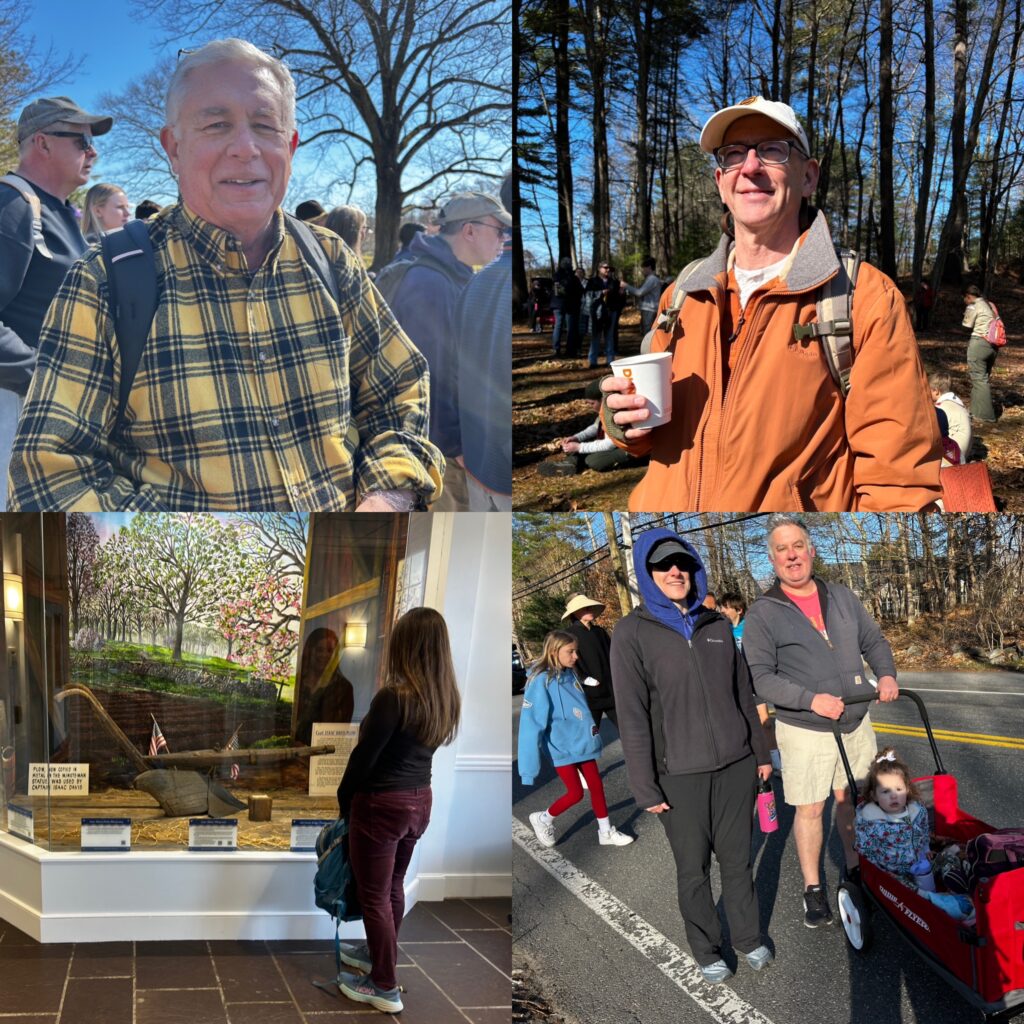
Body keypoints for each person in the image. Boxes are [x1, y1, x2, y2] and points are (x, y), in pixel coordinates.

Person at [8, 39, 442, 511]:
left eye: (265, 126)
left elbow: (399, 386)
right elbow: (48, 474)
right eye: (216, 125)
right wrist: (204, 556)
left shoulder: (330, 257)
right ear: (173, 148)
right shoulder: (104, 279)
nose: (245, 148)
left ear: (290, 145)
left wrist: (387, 496)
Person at [601, 96, 942, 511]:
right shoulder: (684, 293)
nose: (750, 167)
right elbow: (642, 426)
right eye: (733, 155)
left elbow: (899, 483)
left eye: (772, 149)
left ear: (808, 176)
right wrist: (620, 419)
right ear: (720, 181)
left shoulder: (863, 298)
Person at [610, 529, 772, 983]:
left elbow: (744, 695)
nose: (674, 571)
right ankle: (706, 948)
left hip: (737, 766)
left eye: (682, 563)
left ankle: (747, 937)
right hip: (678, 776)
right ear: (647, 573)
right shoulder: (631, 633)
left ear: (694, 569)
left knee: (738, 861)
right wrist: (644, 784)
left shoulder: (717, 625)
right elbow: (633, 714)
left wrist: (760, 753)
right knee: (693, 869)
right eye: (663, 565)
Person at [742, 514, 900, 928]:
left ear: (811, 550)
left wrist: (885, 673)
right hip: (806, 729)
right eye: (782, 550)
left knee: (853, 800)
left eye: (798, 546)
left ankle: (854, 868)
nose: (792, 555)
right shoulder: (764, 613)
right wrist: (810, 700)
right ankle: (813, 888)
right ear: (772, 560)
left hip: (855, 721)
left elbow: (874, 641)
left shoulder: (842, 596)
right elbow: (760, 677)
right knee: (811, 809)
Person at [333, 607, 460, 1014]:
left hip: (381, 805)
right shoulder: (444, 696)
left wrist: (343, 801)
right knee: (392, 888)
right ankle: (377, 955)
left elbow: (363, 760)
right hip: (419, 800)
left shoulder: (394, 695)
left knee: (374, 895)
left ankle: (383, 983)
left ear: (406, 645)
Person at [0, 95, 112, 510]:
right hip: (15, 409)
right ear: (42, 144)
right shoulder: (12, 206)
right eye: (81, 141)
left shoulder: (59, 212)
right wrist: (40, 378)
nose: (93, 151)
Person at [387, 190, 510, 511]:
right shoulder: (431, 285)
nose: (503, 240)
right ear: (469, 230)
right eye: (499, 230)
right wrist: (458, 446)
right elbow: (431, 377)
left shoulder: (447, 274)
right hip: (439, 452)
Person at [519, 630, 634, 849]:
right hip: (561, 748)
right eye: (570, 652)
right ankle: (543, 818)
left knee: (597, 786)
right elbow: (530, 725)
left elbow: (580, 711)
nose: (576, 657)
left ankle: (605, 831)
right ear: (554, 651)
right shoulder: (540, 681)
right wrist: (528, 769)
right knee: (575, 793)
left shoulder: (571, 675)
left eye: (576, 651)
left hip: (583, 744)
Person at [453, 173, 512, 511]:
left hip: (478, 458)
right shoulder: (479, 284)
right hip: (496, 466)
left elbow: (452, 376)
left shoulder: (474, 285)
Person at [854, 747, 934, 891]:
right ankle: (934, 901)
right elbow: (865, 850)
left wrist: (925, 848)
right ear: (874, 795)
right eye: (886, 791)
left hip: (918, 862)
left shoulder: (917, 811)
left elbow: (924, 830)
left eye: (899, 789)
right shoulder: (872, 821)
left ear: (907, 789)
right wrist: (880, 871)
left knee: (945, 864)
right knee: (914, 894)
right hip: (891, 872)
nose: (894, 796)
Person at [545, 378, 633, 475]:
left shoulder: (616, 414)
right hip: (609, 443)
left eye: (592, 403)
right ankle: (569, 464)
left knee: (594, 461)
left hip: (626, 448)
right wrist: (576, 438)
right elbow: (596, 427)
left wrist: (580, 447)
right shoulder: (604, 411)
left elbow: (609, 444)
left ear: (603, 400)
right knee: (578, 447)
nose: (591, 407)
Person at [561, 594, 617, 733]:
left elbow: (614, 656)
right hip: (587, 695)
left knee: (629, 732)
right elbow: (568, 662)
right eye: (585, 608)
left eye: (590, 607)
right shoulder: (568, 635)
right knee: (588, 737)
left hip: (611, 691)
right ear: (575, 612)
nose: (590, 609)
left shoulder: (600, 632)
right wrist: (583, 678)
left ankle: (638, 755)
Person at [294, 627, 355, 745]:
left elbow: (341, 731)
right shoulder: (298, 683)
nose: (324, 655)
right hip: (292, 752)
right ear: (310, 651)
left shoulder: (344, 688)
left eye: (329, 651)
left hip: (323, 756)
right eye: (319, 649)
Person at [962, 284, 999, 423]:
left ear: (969, 296)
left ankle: (985, 415)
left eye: (964, 298)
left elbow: (967, 325)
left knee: (978, 379)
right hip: (993, 345)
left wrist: (966, 313)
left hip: (979, 343)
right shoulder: (990, 305)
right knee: (983, 379)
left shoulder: (973, 306)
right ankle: (976, 411)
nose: (964, 301)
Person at [929, 372, 971, 464]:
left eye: (929, 390)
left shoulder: (941, 407)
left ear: (936, 391)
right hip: (963, 452)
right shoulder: (957, 403)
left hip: (952, 454)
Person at [551, 255, 583, 358]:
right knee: (571, 328)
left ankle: (556, 349)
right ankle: (570, 349)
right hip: (569, 305)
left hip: (557, 304)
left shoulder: (555, 276)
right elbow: (580, 291)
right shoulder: (573, 278)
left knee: (558, 326)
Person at [624, 256, 663, 336]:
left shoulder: (652, 279)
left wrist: (626, 285)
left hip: (649, 310)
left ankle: (649, 348)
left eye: (643, 268)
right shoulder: (652, 279)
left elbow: (639, 292)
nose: (642, 270)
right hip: (649, 309)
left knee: (648, 334)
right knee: (647, 332)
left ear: (649, 267)